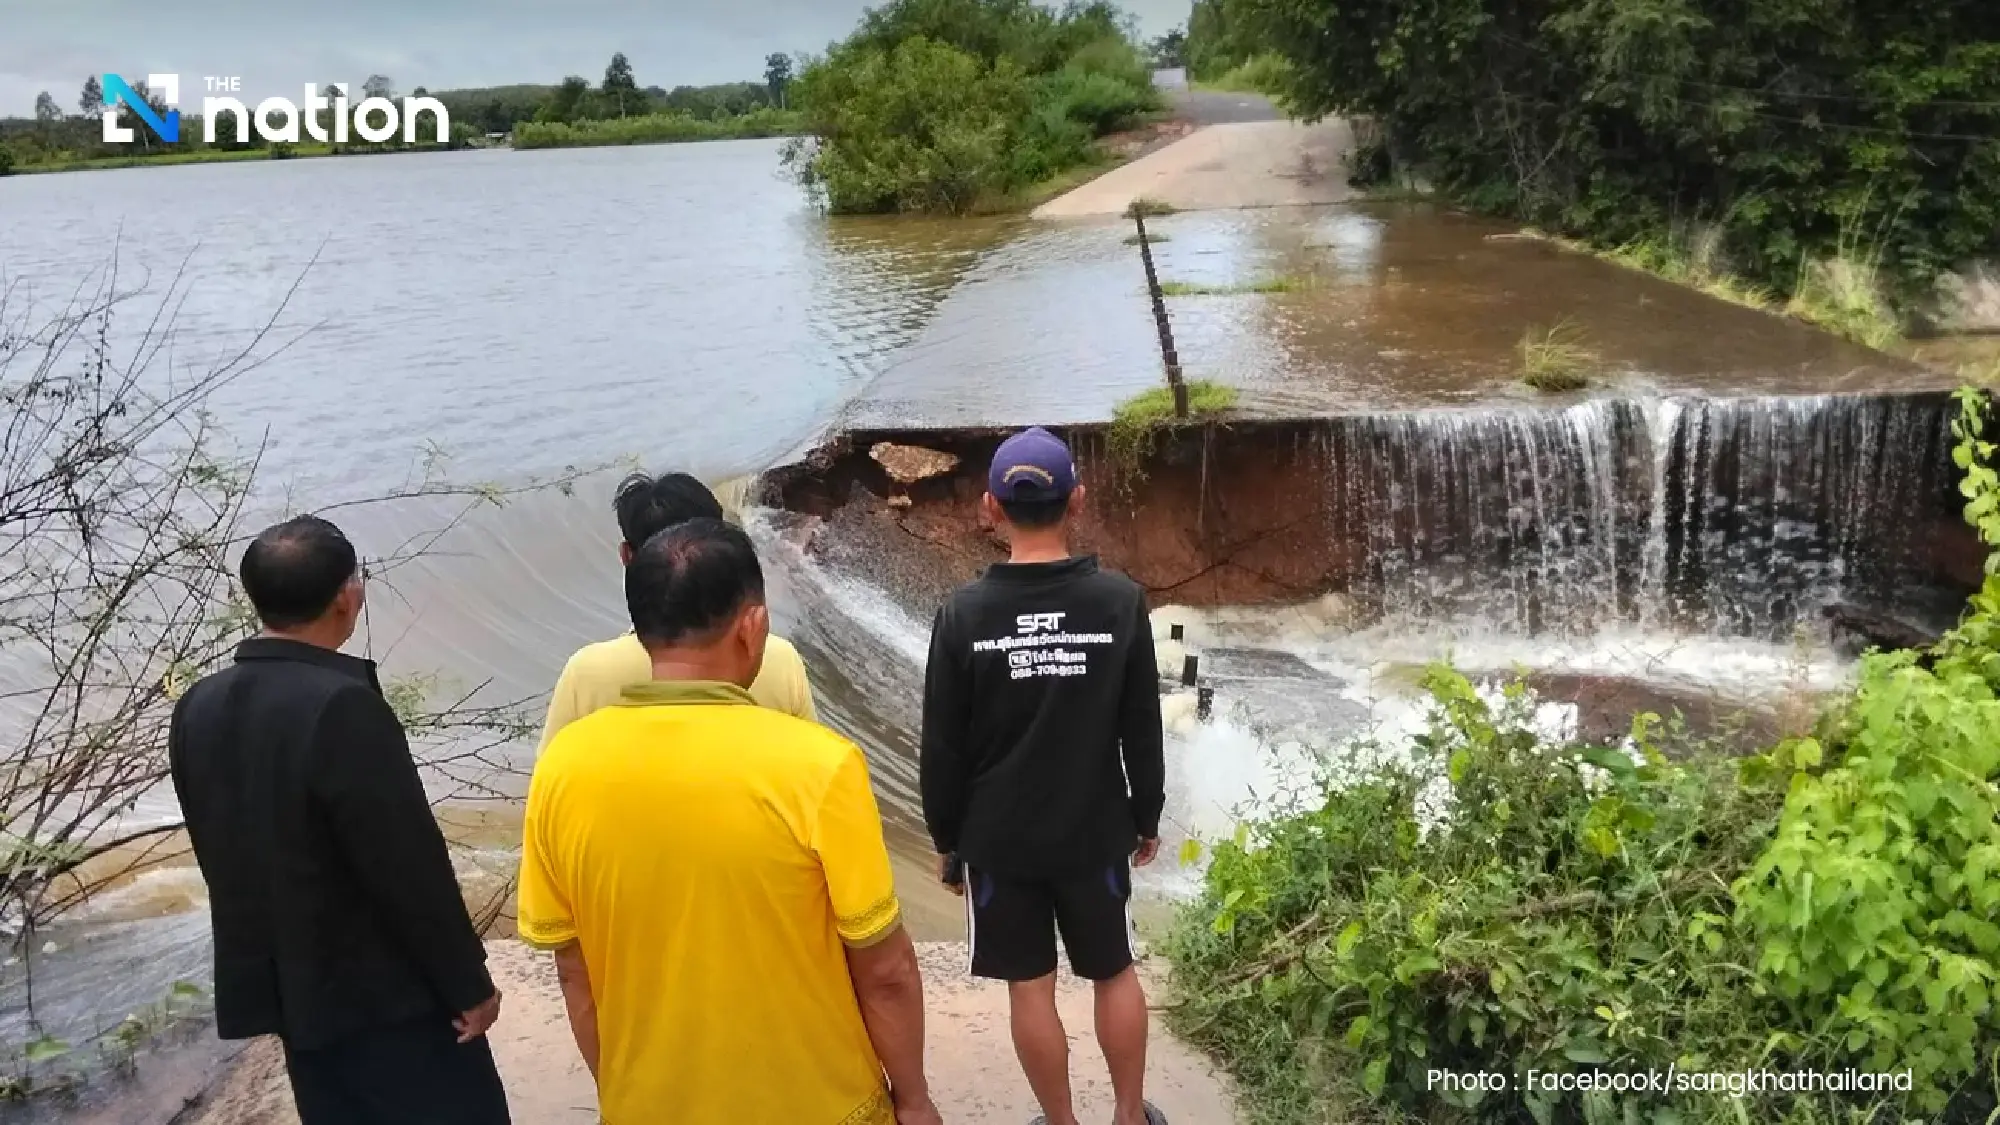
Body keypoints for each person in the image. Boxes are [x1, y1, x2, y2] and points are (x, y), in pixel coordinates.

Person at [518, 518, 940, 1125]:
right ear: (753, 626)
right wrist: (915, 1099)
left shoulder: (565, 767)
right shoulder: (818, 766)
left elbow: (574, 972)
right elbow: (886, 970)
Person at [169, 515, 508, 1125]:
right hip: (387, 1002)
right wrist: (467, 984)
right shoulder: (341, 704)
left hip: (296, 1005)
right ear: (347, 596)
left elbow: (216, 848)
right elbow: (406, 865)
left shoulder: (199, 705)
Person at [920, 426, 1168, 1125]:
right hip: (1093, 831)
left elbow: (943, 746)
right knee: (1113, 971)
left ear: (990, 507)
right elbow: (1140, 729)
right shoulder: (1119, 603)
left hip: (999, 840)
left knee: (1030, 988)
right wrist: (1145, 815)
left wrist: (949, 839)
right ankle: (1127, 1115)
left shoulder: (962, 615)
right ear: (1078, 501)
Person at [537, 470, 816, 755]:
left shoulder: (587, 674)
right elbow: (812, 772)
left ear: (627, 557)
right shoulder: (780, 662)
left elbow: (549, 785)